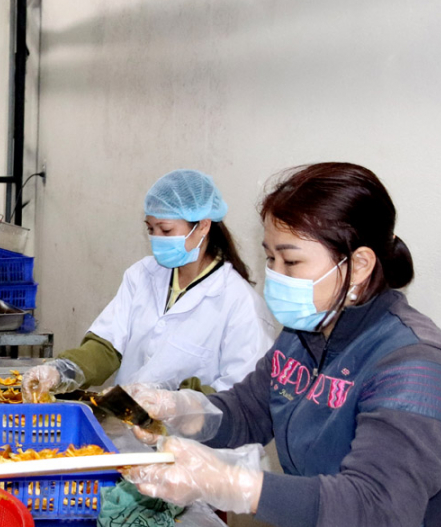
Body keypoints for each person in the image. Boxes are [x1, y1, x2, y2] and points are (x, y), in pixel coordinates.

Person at [126, 163, 441, 527]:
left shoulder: (417, 367)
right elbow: (248, 410)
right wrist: (179, 409)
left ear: (361, 264)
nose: (274, 277)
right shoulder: (304, 336)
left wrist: (234, 485)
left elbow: (377, 510)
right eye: (270, 259)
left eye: (291, 262)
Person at [22, 169, 276, 401]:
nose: (156, 239)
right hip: (128, 430)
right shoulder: (142, 275)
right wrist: (62, 371)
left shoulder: (240, 305)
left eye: (165, 231)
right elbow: (108, 347)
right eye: (150, 229)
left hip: (191, 446)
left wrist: (171, 402)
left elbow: (240, 397)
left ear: (203, 227)